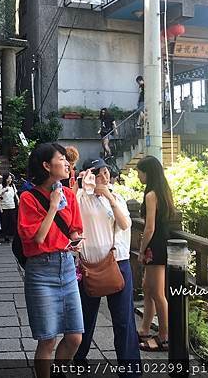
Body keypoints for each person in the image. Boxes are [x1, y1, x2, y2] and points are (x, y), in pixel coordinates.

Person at [18, 143, 84, 378]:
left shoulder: (69, 194)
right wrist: (53, 206)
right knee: (47, 339)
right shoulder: (28, 198)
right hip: (41, 271)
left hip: (66, 266)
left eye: (68, 159)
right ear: (47, 165)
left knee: (75, 336)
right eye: (62, 159)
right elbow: (38, 237)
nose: (67, 163)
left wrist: (77, 240)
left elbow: (74, 230)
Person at [73, 158, 141, 374]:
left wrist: (109, 197)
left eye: (105, 172)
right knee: (85, 317)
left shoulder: (116, 196)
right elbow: (69, 215)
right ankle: (78, 359)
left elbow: (124, 224)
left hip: (118, 263)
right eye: (96, 173)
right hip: (89, 264)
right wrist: (80, 185)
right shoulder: (80, 198)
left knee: (123, 319)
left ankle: (130, 368)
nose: (103, 177)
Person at [136, 155, 175, 352]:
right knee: (148, 288)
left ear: (147, 173)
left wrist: (141, 251)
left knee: (158, 293)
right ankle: (144, 329)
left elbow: (149, 227)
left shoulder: (151, 195)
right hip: (160, 243)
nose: (138, 176)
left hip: (155, 245)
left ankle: (164, 336)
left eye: (139, 172)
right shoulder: (163, 192)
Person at [0, 171, 19, 243]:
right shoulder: (1, 186)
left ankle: (12, 235)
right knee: (5, 222)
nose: (9, 180)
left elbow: (15, 194)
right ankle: (6, 236)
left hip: (12, 206)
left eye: (10, 179)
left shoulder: (12, 186)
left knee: (13, 221)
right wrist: (4, 190)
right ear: (5, 179)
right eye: (8, 179)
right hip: (4, 206)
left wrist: (18, 200)